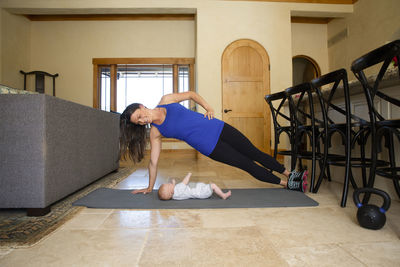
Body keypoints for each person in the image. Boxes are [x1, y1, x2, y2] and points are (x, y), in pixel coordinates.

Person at [119, 91, 307, 194]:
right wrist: (150, 187)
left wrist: (208, 107)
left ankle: (290, 174)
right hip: (211, 147)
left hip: (218, 127)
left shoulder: (166, 100)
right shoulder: (156, 132)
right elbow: (153, 162)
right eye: (139, 122)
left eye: (140, 115)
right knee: (247, 165)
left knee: (254, 152)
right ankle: (285, 183)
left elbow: (192, 94)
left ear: (142, 106)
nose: (143, 120)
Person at [158, 172, 231, 200]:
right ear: (170, 192)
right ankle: (223, 195)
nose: (169, 184)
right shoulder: (178, 189)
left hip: (199, 191)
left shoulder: (175, 195)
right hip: (201, 192)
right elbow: (184, 182)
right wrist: (188, 175)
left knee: (207, 185)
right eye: (168, 185)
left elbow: (173, 190)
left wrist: (173, 183)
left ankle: (210, 188)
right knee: (213, 185)